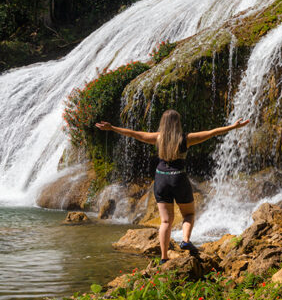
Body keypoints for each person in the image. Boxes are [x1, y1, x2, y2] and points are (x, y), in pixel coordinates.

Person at [95, 110, 249, 263]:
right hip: (179, 178)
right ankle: (186, 240)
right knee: (188, 214)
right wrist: (233, 127)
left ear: (163, 123)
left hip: (161, 178)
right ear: (178, 123)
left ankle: (163, 257)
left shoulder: (157, 138)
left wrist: (113, 128)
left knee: (166, 221)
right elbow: (211, 133)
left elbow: (134, 134)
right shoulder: (185, 139)